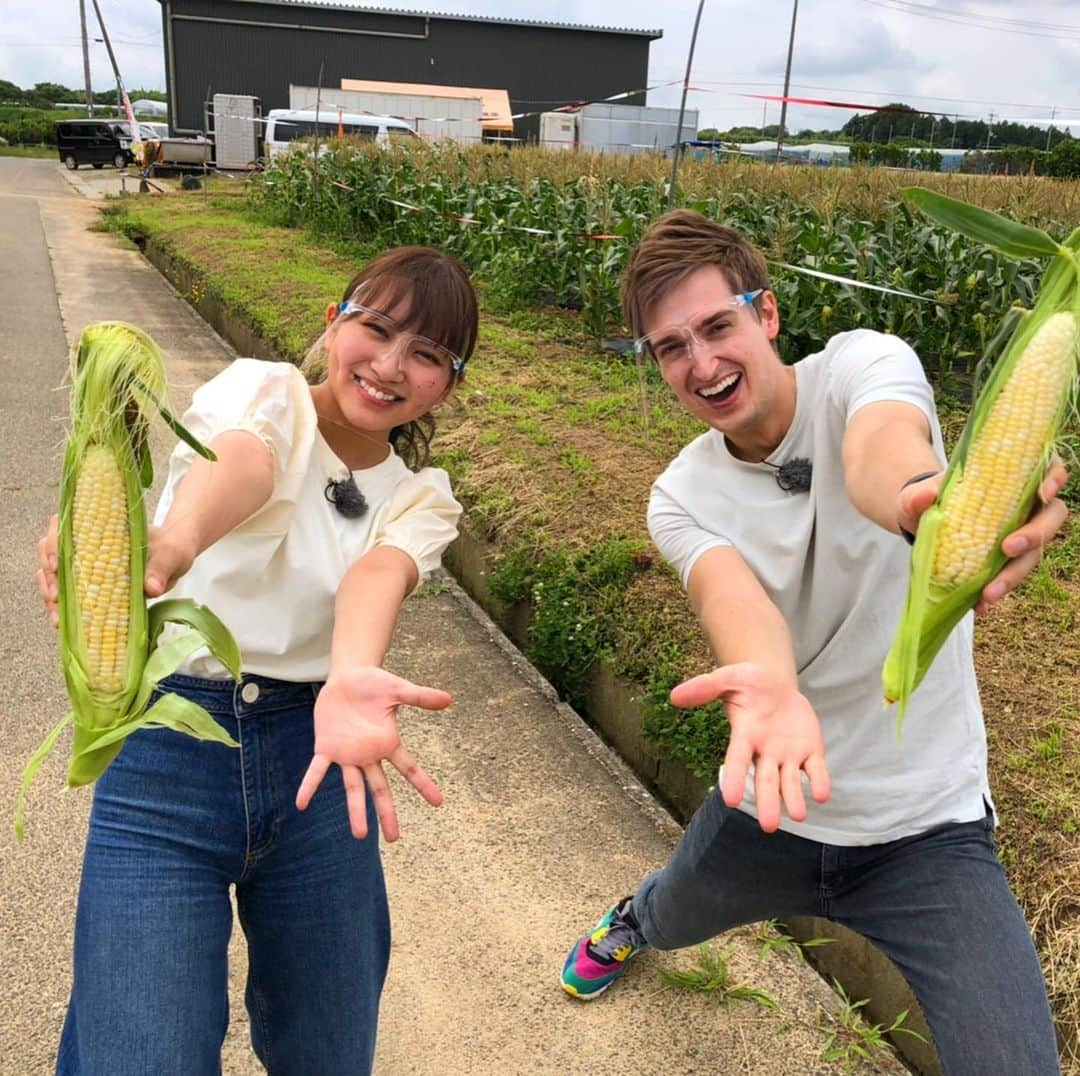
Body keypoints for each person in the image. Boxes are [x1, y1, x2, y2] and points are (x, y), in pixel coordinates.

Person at [559, 210, 1067, 1075]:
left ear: (767, 314)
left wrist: (920, 505)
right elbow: (735, 603)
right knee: (674, 909)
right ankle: (633, 924)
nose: (703, 363)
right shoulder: (678, 497)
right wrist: (769, 683)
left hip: (928, 829)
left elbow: (884, 455)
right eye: (671, 347)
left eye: (718, 325)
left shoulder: (864, 368)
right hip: (777, 807)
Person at [36, 245, 478, 1075]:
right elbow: (246, 461)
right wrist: (170, 542)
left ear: (448, 385)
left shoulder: (422, 499)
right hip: (169, 758)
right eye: (375, 329)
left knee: (330, 1053)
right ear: (333, 324)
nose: (389, 367)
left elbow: (376, 579)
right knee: (139, 1054)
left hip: (317, 769)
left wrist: (350, 675)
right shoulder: (266, 391)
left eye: (426, 355)